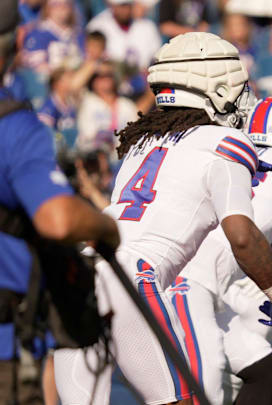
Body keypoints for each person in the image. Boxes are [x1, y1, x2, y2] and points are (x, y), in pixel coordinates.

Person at [53, 32, 272, 405]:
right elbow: (242, 236)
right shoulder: (225, 142)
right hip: (132, 276)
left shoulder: (141, 141)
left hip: (79, 273)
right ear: (215, 87)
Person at [167, 95, 272, 405]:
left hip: (185, 274)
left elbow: (249, 247)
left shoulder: (229, 157)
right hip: (194, 285)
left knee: (265, 372)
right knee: (198, 393)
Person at [0, 2, 119, 403]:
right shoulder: (16, 125)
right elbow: (57, 220)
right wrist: (107, 226)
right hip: (7, 337)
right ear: (19, 41)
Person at [86, 0, 161, 70]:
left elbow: (156, 58)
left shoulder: (147, 26)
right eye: (121, 6)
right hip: (111, 77)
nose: (125, 10)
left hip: (142, 78)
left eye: (128, 6)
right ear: (112, 6)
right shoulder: (97, 25)